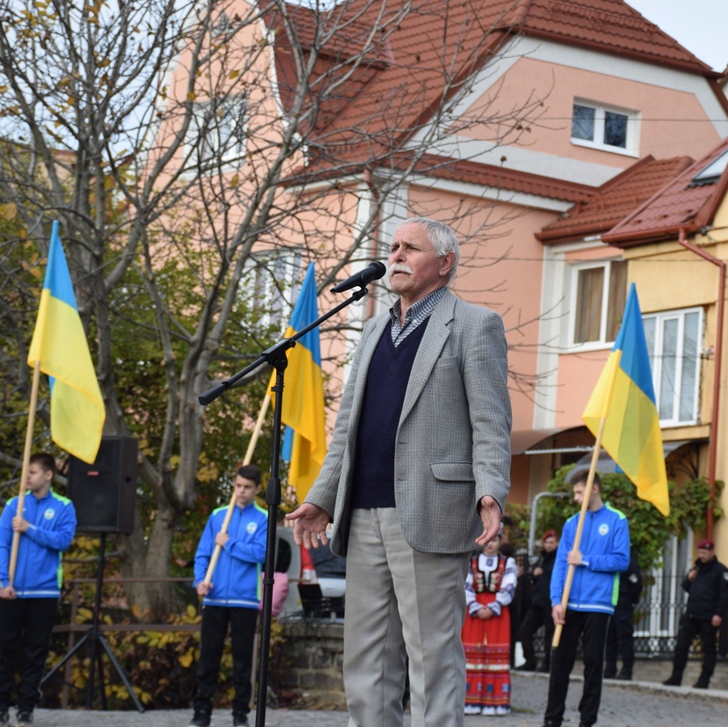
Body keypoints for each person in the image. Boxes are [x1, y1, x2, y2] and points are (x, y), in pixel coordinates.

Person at [288, 217, 512, 727]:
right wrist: (322, 496)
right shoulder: (372, 329)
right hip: (363, 513)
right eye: (392, 247)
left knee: (432, 662)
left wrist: (491, 492)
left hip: (431, 512)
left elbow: (492, 421)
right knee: (366, 662)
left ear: (444, 264)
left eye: (411, 248)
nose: (396, 255)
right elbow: (347, 427)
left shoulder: (476, 325)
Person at [0, 452, 77, 727]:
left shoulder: (64, 506)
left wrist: (30, 529)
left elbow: (63, 541)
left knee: (35, 653)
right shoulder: (13, 505)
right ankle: (0, 710)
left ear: (48, 475)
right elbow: (1, 546)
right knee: (5, 651)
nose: (27, 477)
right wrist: (2, 582)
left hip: (44, 592)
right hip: (11, 591)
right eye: (26, 472)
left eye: (33, 472)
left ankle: (26, 710)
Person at [544, 469, 630, 727]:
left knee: (593, 663)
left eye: (579, 492)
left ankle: (587, 720)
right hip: (570, 603)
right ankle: (552, 719)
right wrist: (556, 600)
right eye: (574, 493)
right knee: (560, 663)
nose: (576, 498)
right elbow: (561, 563)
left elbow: (621, 560)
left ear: (594, 489)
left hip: (598, 604)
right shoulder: (572, 523)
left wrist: (586, 560)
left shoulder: (617, 520)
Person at [191, 464, 269, 727]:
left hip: (244, 599)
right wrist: (200, 581)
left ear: (257, 489)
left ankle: (240, 715)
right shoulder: (217, 516)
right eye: (238, 486)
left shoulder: (263, 519)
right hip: (214, 598)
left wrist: (229, 543)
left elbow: (260, 554)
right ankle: (201, 713)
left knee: (242, 661)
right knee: (208, 658)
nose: (241, 491)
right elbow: (203, 553)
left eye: (247, 487)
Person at [663, 539, 728, 689]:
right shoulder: (696, 569)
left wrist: (718, 614)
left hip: (708, 617)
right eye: (700, 552)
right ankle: (676, 676)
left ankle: (704, 680)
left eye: (704, 553)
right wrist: (689, 579)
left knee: (708, 649)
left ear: (712, 552)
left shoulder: (721, 571)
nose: (701, 556)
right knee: (681, 646)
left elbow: (724, 595)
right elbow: (687, 587)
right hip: (692, 614)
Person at [464, 531, 517, 715]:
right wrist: (475, 607)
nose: (490, 544)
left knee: (495, 653)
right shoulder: (471, 562)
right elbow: (466, 586)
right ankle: (470, 701)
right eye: (487, 540)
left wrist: (493, 607)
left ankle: (495, 703)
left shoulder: (507, 563)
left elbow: (509, 587)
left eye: (494, 539)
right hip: (474, 613)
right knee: (472, 653)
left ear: (500, 541)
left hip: (498, 613)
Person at [516, 530, 558, 672]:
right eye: (547, 542)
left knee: (549, 634)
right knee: (525, 629)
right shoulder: (543, 558)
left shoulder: (557, 558)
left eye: (551, 543)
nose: (548, 545)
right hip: (539, 601)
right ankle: (530, 661)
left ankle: (548, 663)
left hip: (551, 602)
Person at [603, 554, 643, 681]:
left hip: (623, 604)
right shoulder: (608, 561)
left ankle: (627, 669)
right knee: (610, 637)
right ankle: (610, 667)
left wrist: (629, 600)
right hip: (609, 604)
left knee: (625, 637)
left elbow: (636, 584)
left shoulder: (629, 563)